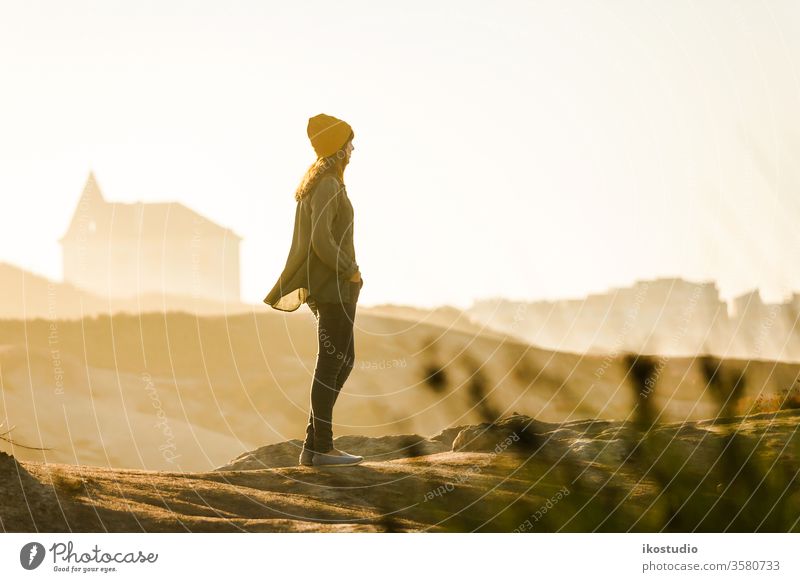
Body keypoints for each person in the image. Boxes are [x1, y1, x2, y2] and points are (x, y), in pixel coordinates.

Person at [263, 113, 364, 467]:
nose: (354, 147)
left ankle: (315, 443)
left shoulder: (323, 182)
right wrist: (349, 270)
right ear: (338, 147)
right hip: (333, 287)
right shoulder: (326, 186)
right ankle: (320, 448)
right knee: (331, 362)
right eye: (350, 141)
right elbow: (323, 240)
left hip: (335, 286)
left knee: (344, 359)